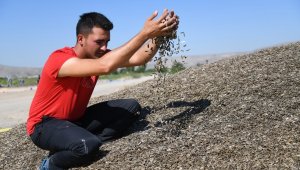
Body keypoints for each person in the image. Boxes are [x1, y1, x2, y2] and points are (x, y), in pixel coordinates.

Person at [27, 9, 179, 170]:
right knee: (87, 146)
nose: (104, 47)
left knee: (131, 107)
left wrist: (160, 35)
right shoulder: (60, 59)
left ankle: (77, 140)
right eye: (99, 42)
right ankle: (50, 164)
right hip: (44, 126)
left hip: (75, 121)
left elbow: (140, 58)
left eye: (107, 42)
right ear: (81, 39)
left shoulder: (99, 56)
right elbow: (105, 66)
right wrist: (144, 33)